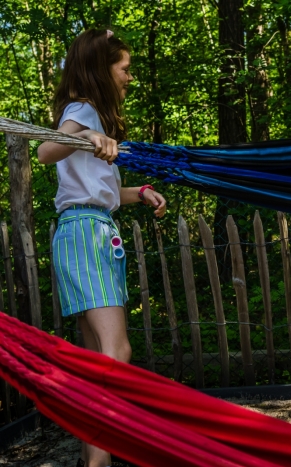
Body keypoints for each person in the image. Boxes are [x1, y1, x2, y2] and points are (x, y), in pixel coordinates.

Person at [37, 29, 166, 467]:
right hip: (87, 232)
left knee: (97, 357)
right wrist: (87, 136)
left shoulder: (93, 117)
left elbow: (96, 190)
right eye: (124, 69)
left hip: (86, 227)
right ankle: (100, 459)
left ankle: (96, 459)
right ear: (101, 69)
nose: (129, 78)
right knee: (117, 351)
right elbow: (46, 151)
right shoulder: (85, 110)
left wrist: (140, 192)